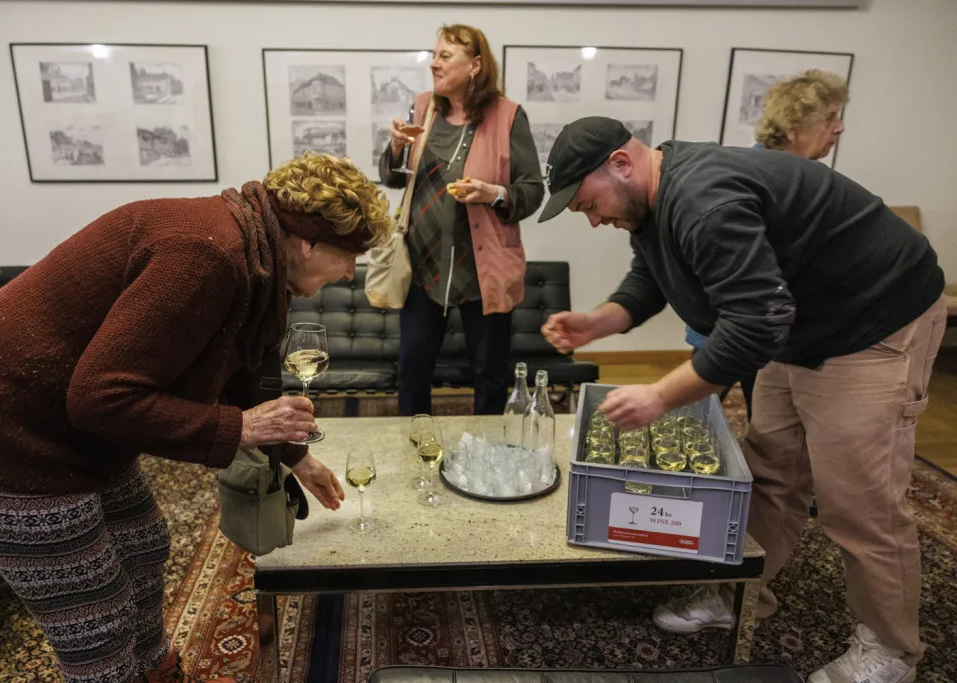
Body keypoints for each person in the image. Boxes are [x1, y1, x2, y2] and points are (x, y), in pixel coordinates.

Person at [0, 152, 394, 683]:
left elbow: (248, 368)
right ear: (309, 242)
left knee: (144, 543)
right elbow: (99, 398)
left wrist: (296, 456)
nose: (350, 273)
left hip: (74, 421)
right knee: (96, 621)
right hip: (0, 425)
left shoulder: (257, 255)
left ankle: (153, 669)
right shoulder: (208, 255)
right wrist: (240, 428)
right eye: (349, 257)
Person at [538, 117, 945, 683]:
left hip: (872, 322)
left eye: (588, 204)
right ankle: (739, 592)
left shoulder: (703, 200)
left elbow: (754, 324)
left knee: (860, 504)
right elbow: (651, 276)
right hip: (797, 325)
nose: (593, 219)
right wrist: (598, 321)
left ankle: (892, 651)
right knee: (770, 474)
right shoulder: (652, 201)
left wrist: (660, 395)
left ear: (621, 164)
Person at [379, 24, 544, 416]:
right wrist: (397, 148)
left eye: (445, 56)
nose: (434, 64)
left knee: (489, 375)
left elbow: (533, 190)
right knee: (412, 371)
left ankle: (487, 450)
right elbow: (393, 177)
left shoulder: (509, 116)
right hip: (422, 267)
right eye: (433, 55)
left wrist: (494, 193)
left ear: (475, 65)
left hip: (484, 271)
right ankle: (414, 443)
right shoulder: (422, 107)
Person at [684, 68, 851, 420]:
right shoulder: (758, 177)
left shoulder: (796, 174)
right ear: (793, 126)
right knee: (700, 418)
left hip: (767, 331)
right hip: (741, 329)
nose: (839, 127)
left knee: (747, 419)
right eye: (829, 118)